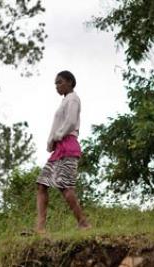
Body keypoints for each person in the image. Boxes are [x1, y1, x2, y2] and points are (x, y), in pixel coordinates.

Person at [35, 70, 91, 234]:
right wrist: (50, 141)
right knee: (42, 184)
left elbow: (71, 122)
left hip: (68, 145)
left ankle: (84, 223)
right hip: (59, 147)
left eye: (59, 82)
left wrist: (57, 136)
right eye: (55, 83)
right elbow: (59, 123)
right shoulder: (65, 100)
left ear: (70, 82)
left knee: (65, 187)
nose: (56, 86)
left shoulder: (73, 99)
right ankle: (40, 227)